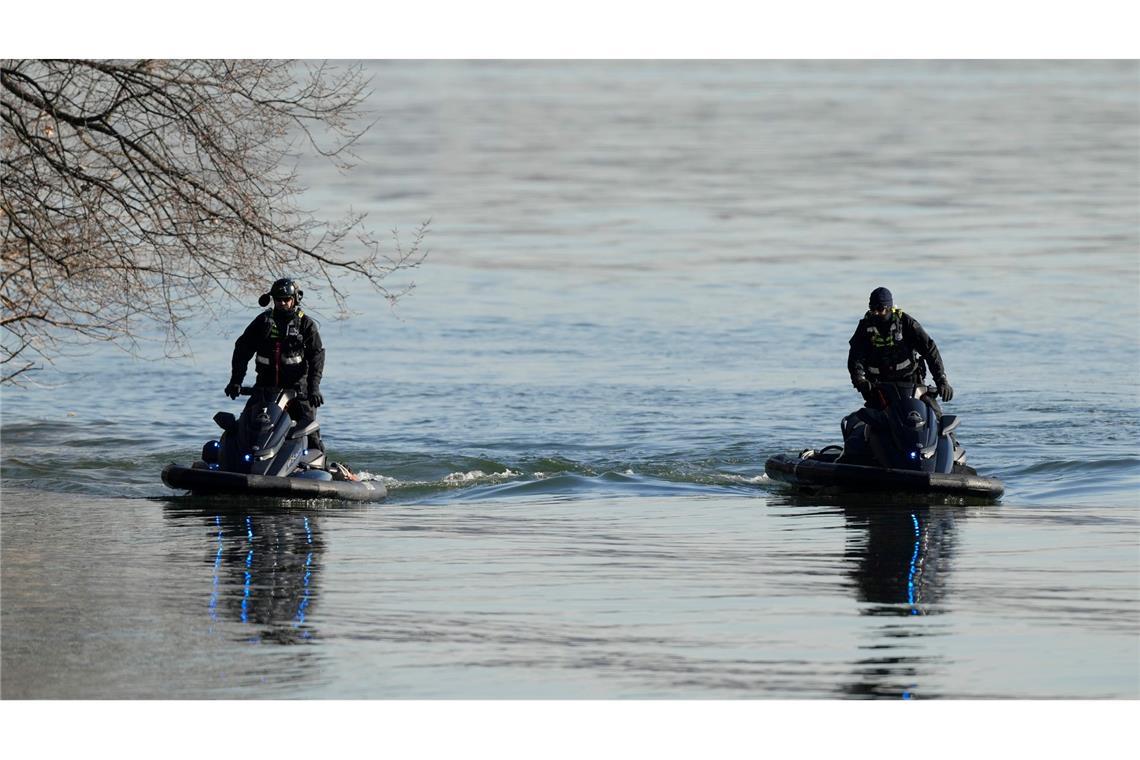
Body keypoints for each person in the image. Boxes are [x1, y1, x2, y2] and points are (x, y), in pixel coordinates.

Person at [226, 277, 326, 452]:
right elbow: (242, 350)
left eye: (286, 299)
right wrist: (236, 381)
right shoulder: (262, 322)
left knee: (310, 433)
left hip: (298, 392)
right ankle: (237, 461)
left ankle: (322, 468)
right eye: (278, 299)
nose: (282, 303)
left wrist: (314, 388)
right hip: (265, 388)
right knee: (244, 426)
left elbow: (316, 357)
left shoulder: (305, 324)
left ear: (295, 299)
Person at [847, 286, 953, 413]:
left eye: (880, 309)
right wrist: (859, 380)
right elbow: (855, 356)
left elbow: (930, 350)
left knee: (931, 410)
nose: (876, 313)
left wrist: (941, 380)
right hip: (880, 386)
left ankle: (939, 430)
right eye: (872, 309)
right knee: (870, 417)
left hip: (910, 382)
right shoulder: (865, 327)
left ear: (889, 308)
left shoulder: (906, 324)